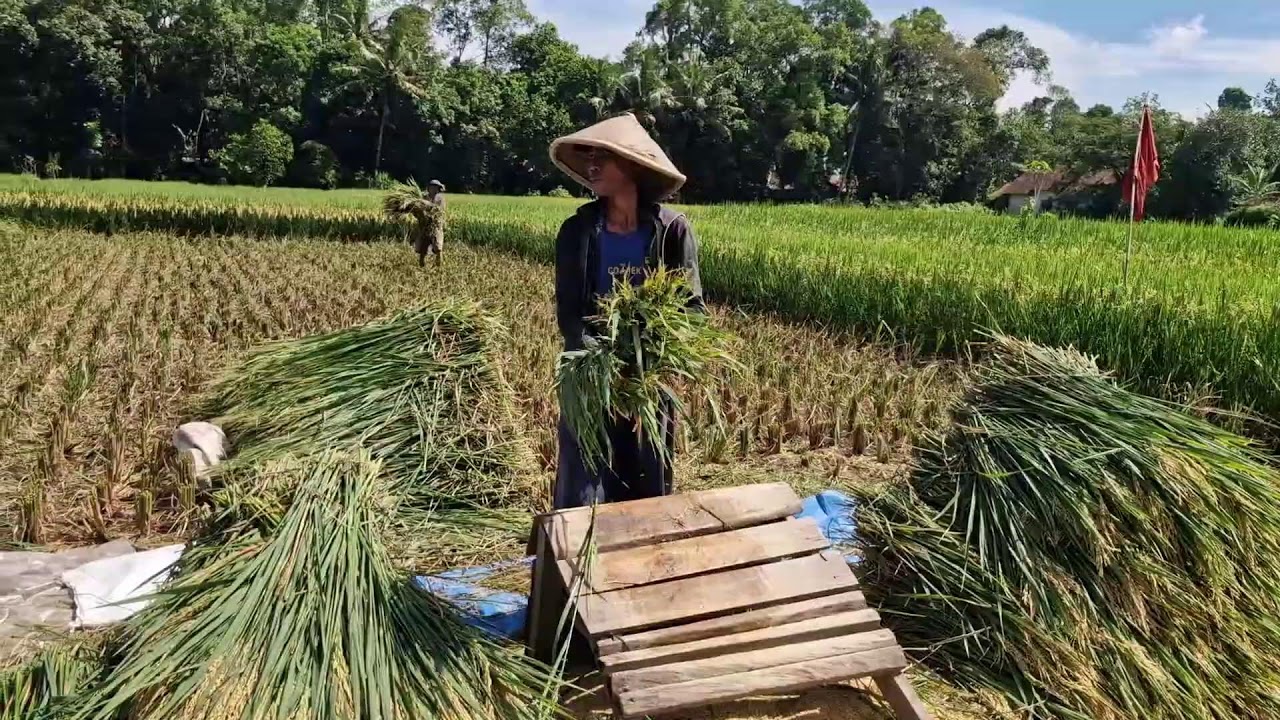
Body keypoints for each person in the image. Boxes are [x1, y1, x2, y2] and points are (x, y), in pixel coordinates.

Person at [547, 113, 705, 510]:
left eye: (605, 156)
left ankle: (644, 559)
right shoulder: (577, 231)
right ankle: (580, 556)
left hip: (649, 375)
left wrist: (649, 361)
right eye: (589, 158)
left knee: (648, 471)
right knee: (584, 476)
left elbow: (691, 307)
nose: (593, 166)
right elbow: (569, 310)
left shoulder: (672, 231)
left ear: (633, 166)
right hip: (590, 368)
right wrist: (598, 360)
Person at [415, 179, 447, 267]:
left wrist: (429, 210)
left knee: (438, 247)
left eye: (435, 187)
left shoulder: (440, 198)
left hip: (436, 225)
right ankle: (422, 265)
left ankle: (439, 266)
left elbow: (439, 210)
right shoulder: (424, 197)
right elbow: (419, 208)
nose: (433, 189)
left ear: (438, 189)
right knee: (423, 248)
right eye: (431, 187)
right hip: (425, 225)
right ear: (429, 188)